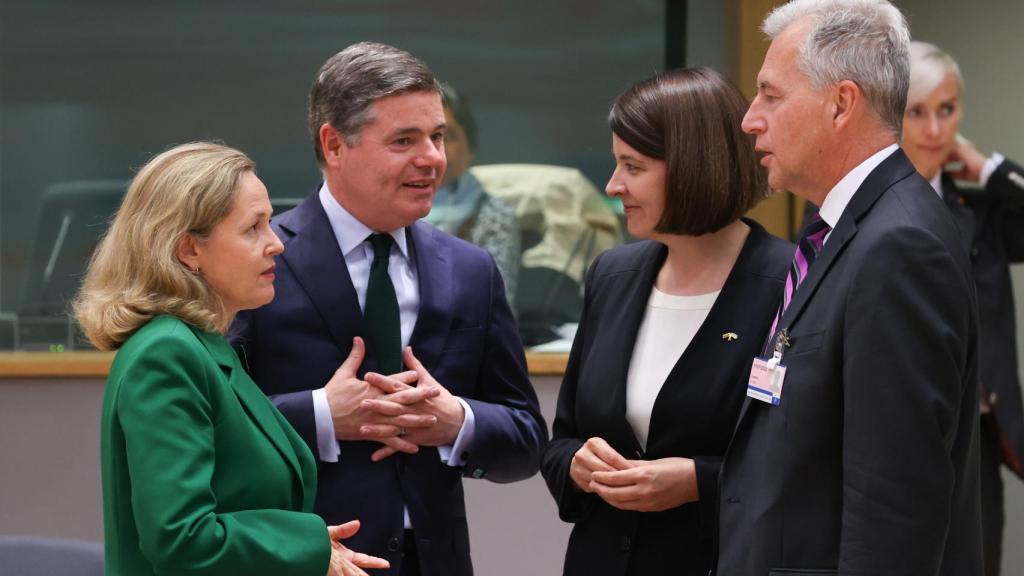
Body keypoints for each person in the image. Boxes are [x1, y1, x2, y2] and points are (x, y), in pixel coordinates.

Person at [229, 42, 547, 576]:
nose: (433, 158)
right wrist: (324, 415)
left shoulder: (471, 269)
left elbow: (526, 439)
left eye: (438, 136)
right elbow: (213, 429)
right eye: (404, 140)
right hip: (304, 559)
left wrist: (455, 421)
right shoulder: (257, 261)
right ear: (334, 144)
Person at [716, 1, 982, 575]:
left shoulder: (899, 244)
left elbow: (894, 503)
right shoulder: (843, 227)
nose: (750, 118)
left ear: (840, 104)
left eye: (771, 94)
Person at [73, 142, 388, 576]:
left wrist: (311, 549)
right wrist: (305, 545)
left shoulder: (203, 345)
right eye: (253, 228)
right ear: (189, 250)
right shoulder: (167, 354)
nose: (276, 243)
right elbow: (182, 538)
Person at [540, 67, 791, 575]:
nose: (613, 186)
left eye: (633, 167)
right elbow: (562, 440)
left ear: (695, 167)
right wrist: (577, 466)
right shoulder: (613, 275)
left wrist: (698, 482)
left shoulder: (791, 284)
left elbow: (807, 466)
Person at [901, 40, 1024, 576]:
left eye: (946, 110)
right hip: (896, 434)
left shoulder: (978, 208)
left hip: (976, 437)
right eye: (916, 111)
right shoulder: (852, 205)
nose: (934, 130)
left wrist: (985, 165)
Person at [425, 82, 520, 311]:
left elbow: (495, 305)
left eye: (447, 136)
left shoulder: (492, 215)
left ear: (471, 148)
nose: (435, 149)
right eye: (427, 136)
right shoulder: (388, 209)